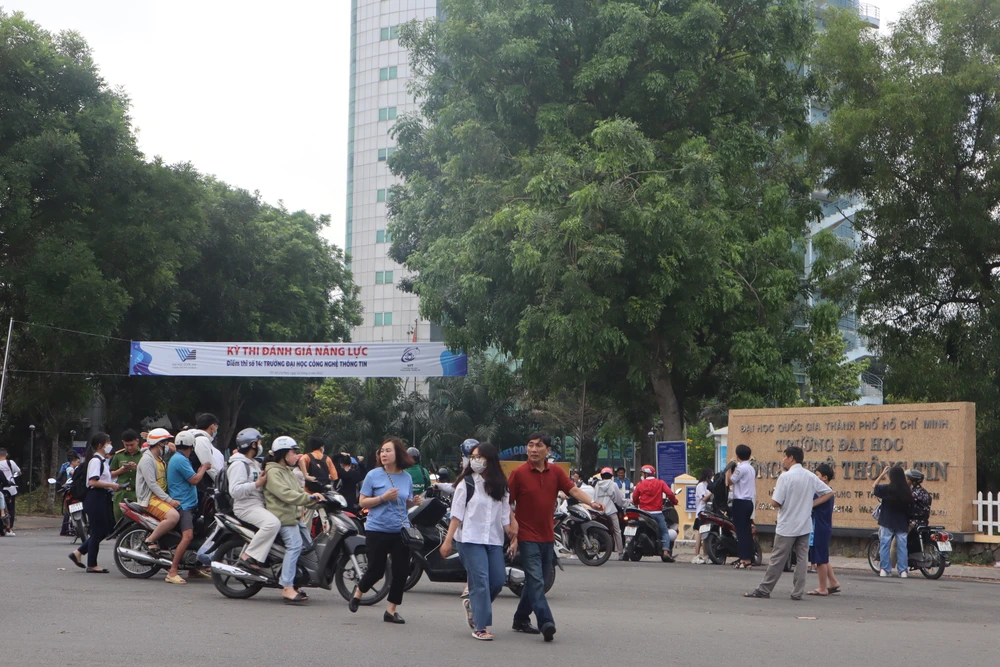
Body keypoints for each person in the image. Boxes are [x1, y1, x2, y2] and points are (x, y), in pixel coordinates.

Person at [508, 432, 602, 642]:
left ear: (548, 450)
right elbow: (506, 502)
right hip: (527, 535)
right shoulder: (518, 473)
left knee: (537, 581)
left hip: (547, 535)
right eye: (530, 445)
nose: (533, 449)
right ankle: (546, 622)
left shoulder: (556, 472)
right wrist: (512, 523)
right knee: (535, 580)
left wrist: (591, 503)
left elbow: (573, 490)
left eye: (538, 445)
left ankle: (520, 619)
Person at [440, 442, 514, 641]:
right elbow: (456, 515)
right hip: (469, 540)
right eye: (472, 457)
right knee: (480, 580)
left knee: (497, 580)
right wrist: (447, 541)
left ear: (490, 460)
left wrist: (514, 535)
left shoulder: (501, 486)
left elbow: (505, 516)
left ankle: (473, 605)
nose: (474, 461)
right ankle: (480, 626)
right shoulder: (466, 483)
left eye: (478, 457)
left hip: (494, 540)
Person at [349, 437, 423, 622]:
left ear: (398, 454)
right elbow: (362, 502)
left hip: (401, 531)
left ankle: (391, 610)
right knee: (376, 571)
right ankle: (359, 592)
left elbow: (404, 504)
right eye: (382, 451)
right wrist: (383, 497)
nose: (384, 454)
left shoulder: (406, 477)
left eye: (388, 451)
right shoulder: (373, 475)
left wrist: (413, 502)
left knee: (401, 572)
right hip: (377, 529)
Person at [744, 446, 833, 600]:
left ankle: (765, 589)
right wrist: (811, 504)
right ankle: (797, 591)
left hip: (787, 524)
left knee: (778, 558)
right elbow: (829, 492)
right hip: (805, 524)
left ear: (792, 458)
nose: (783, 460)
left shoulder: (785, 477)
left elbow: (775, 502)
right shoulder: (810, 476)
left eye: (785, 457)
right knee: (802, 559)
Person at [263, 436, 324, 604]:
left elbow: (299, 492)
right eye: (293, 452)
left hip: (294, 517)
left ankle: (295, 581)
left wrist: (317, 500)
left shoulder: (286, 471)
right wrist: (309, 498)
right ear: (283, 454)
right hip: (283, 518)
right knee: (295, 546)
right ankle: (287, 586)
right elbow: (286, 494)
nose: (296, 455)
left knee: (308, 547)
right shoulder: (273, 471)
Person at [68, 433, 122, 573]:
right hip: (95, 497)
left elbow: (106, 476)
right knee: (98, 531)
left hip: (101, 497)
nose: (110, 445)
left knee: (104, 530)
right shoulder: (95, 461)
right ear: (100, 445)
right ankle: (92, 564)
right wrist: (111, 485)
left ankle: (78, 553)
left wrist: (121, 472)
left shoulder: (102, 460)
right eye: (108, 442)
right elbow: (93, 482)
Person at [164, 430, 212, 584]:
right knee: (188, 536)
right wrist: (204, 468)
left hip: (189, 503)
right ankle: (172, 571)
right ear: (191, 446)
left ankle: (193, 569)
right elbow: (195, 480)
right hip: (183, 505)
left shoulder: (180, 458)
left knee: (197, 534)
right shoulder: (180, 460)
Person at [135, 429, 181, 555]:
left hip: (159, 497)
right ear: (159, 443)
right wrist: (169, 500)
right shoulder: (147, 460)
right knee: (173, 517)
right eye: (165, 442)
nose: (167, 445)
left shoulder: (159, 459)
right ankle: (150, 540)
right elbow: (152, 484)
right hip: (150, 499)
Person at [631, 464, 678, 561]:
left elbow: (635, 497)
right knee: (664, 532)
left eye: (642, 473)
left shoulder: (640, 484)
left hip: (643, 513)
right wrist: (674, 501)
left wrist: (637, 503)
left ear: (646, 474)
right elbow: (669, 493)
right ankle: (665, 552)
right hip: (657, 513)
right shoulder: (660, 483)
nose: (642, 475)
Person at [873, 465, 912, 578]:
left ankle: (884, 570)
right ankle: (903, 571)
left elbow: (874, 486)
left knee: (885, 545)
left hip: (887, 521)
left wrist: (882, 474)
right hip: (902, 522)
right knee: (902, 546)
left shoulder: (886, 489)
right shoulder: (907, 491)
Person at [807, 463, 840, 596]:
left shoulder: (822, 493)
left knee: (820, 560)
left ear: (825, 478)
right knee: (824, 557)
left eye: (817, 475)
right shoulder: (827, 492)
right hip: (824, 527)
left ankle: (822, 588)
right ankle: (833, 582)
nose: (815, 477)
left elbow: (809, 504)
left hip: (818, 528)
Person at [726, 444, 757, 569]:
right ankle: (748, 558)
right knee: (747, 531)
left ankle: (744, 559)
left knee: (741, 532)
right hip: (749, 502)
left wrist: (729, 467)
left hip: (740, 501)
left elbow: (730, 481)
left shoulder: (741, 468)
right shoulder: (751, 468)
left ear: (738, 455)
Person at [592, 467, 626, 560]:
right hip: (611, 511)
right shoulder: (613, 484)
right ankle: (620, 552)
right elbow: (619, 499)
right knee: (617, 531)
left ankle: (593, 548)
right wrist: (627, 503)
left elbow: (595, 499)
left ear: (602, 476)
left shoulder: (597, 485)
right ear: (611, 476)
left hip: (600, 511)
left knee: (595, 529)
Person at [109, 429, 142, 521]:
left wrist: (137, 468)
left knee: (137, 521)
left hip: (137, 493)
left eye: (132, 445)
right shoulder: (118, 455)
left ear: (137, 441)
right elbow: (110, 474)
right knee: (120, 520)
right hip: (121, 493)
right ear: (123, 442)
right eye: (126, 445)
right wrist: (121, 470)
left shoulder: (143, 455)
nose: (129, 448)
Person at [190, 413, 223, 483]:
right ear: (212, 426)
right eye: (216, 426)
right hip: (200, 482)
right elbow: (209, 465)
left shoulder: (194, 436)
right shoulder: (202, 440)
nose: (216, 429)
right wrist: (221, 482)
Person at [691, 468, 713, 564]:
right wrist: (712, 491)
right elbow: (704, 498)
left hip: (707, 513)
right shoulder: (700, 486)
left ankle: (705, 555)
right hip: (701, 513)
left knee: (705, 535)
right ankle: (696, 555)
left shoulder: (708, 485)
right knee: (699, 535)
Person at [57, 451, 82, 536]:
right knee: (69, 511)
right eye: (77, 462)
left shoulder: (69, 467)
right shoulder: (69, 468)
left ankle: (69, 529)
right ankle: (67, 529)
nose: (78, 464)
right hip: (70, 490)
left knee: (71, 510)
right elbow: (74, 474)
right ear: (73, 461)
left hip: (73, 490)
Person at [0, 448, 22, 533]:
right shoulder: (10, 463)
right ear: (6, 454)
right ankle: (10, 527)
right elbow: (19, 472)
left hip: (1, 489)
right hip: (10, 489)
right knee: (11, 509)